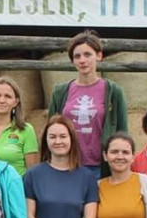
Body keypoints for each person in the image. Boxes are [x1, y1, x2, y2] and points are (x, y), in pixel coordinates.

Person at [23, 115, 98, 218]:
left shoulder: (87, 177)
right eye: (52, 137)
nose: (58, 141)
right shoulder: (33, 175)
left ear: (72, 140)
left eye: (63, 136)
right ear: (46, 141)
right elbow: (29, 217)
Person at [48, 30, 128, 178]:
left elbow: (122, 133)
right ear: (72, 61)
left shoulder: (113, 91)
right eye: (77, 56)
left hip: (100, 168)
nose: (82, 60)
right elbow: (51, 129)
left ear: (99, 55)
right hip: (67, 165)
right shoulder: (60, 92)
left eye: (87, 54)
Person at [0, 76, 39, 176]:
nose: (2, 100)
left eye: (8, 96)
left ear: (16, 102)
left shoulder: (26, 130)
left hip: (15, 185)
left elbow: (32, 173)